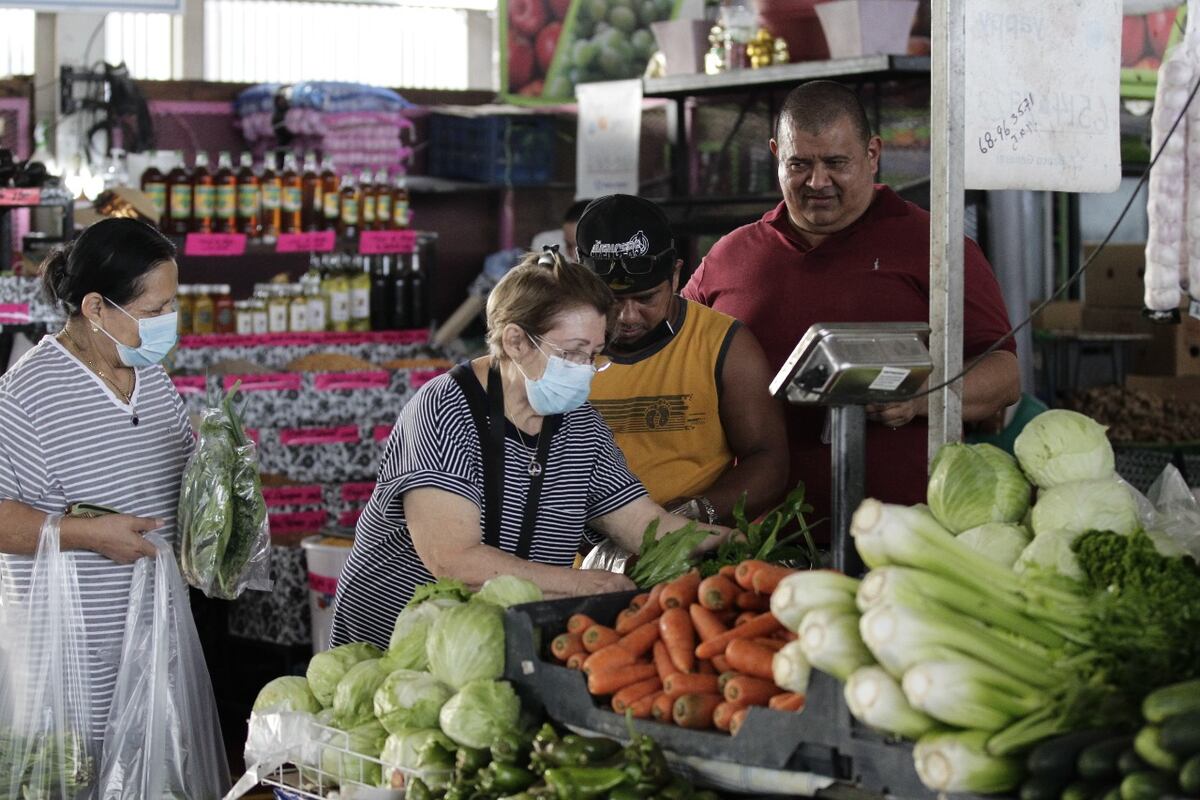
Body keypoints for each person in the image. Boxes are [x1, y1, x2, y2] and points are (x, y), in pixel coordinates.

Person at [330, 249, 732, 650]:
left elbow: (646, 528)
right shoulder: (444, 409)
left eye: (592, 356)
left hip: (494, 638)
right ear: (516, 340)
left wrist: (729, 543)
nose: (584, 370)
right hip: (396, 640)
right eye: (571, 353)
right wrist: (580, 584)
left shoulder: (581, 427)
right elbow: (453, 559)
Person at [683, 80, 1020, 529]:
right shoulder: (730, 257)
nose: (817, 181)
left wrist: (919, 396)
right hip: (757, 543)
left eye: (836, 163)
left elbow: (1005, 376)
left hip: (906, 534)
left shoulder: (936, 246)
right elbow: (672, 356)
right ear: (774, 156)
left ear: (873, 154)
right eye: (799, 164)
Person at [0, 218, 193, 747]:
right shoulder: (24, 395)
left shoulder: (149, 373)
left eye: (172, 305)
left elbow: (171, 466)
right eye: (154, 311)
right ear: (95, 308)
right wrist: (87, 534)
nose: (169, 321)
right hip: (69, 664)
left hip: (157, 639)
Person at [575, 194, 789, 536]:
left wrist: (691, 515)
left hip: (690, 559)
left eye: (646, 298)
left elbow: (768, 461)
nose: (628, 316)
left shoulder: (723, 343)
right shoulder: (555, 347)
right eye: (611, 301)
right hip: (575, 562)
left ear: (676, 277)